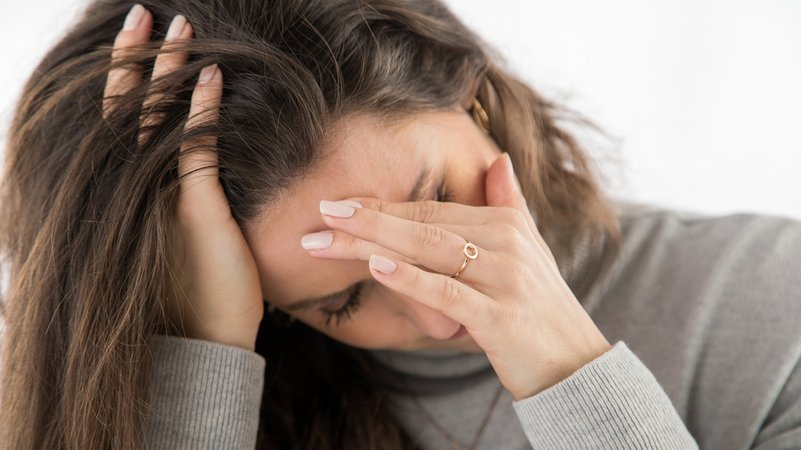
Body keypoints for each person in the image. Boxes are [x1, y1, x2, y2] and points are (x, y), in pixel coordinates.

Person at [1, 1, 799, 449]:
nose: (435, 309)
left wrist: (568, 371)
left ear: (470, 95)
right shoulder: (231, 378)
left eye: (430, 210)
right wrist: (196, 353)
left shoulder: (771, 303)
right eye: (342, 303)